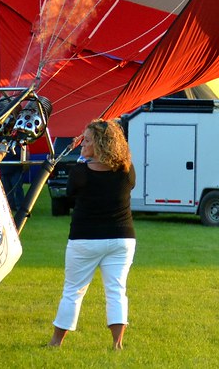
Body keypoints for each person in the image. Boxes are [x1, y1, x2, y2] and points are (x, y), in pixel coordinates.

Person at [48, 119, 136, 350]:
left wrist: (84, 163)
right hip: (121, 238)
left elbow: (69, 194)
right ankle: (117, 344)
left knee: (73, 290)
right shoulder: (127, 171)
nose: (81, 145)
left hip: (85, 238)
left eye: (86, 141)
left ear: (99, 144)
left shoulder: (80, 172)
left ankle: (56, 342)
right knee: (116, 291)